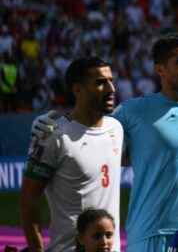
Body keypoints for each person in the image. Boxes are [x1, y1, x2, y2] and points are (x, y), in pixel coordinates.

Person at [30, 33, 178, 252]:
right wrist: (57, 120)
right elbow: (91, 125)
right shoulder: (134, 110)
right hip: (152, 232)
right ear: (160, 70)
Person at [21, 57, 122, 252]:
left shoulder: (116, 129)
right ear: (77, 89)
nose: (111, 89)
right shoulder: (53, 136)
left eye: (111, 81)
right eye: (100, 83)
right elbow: (28, 201)